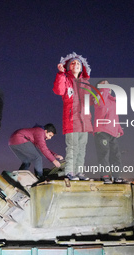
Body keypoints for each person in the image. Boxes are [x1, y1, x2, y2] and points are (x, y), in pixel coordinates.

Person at [53, 52, 93, 180]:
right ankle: (70, 172)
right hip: (71, 120)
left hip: (85, 122)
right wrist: (60, 74)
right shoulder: (65, 80)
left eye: (78, 63)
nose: (75, 65)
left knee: (82, 148)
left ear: (81, 68)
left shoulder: (86, 83)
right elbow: (58, 90)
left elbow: (90, 101)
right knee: (72, 148)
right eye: (73, 63)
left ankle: (79, 172)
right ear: (69, 67)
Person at [93, 80, 124, 183]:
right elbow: (101, 105)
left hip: (112, 132)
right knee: (104, 154)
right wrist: (104, 88)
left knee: (116, 155)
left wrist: (119, 129)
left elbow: (115, 117)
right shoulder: (98, 96)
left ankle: (116, 176)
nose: (108, 86)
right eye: (105, 84)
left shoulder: (113, 101)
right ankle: (105, 176)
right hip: (102, 131)